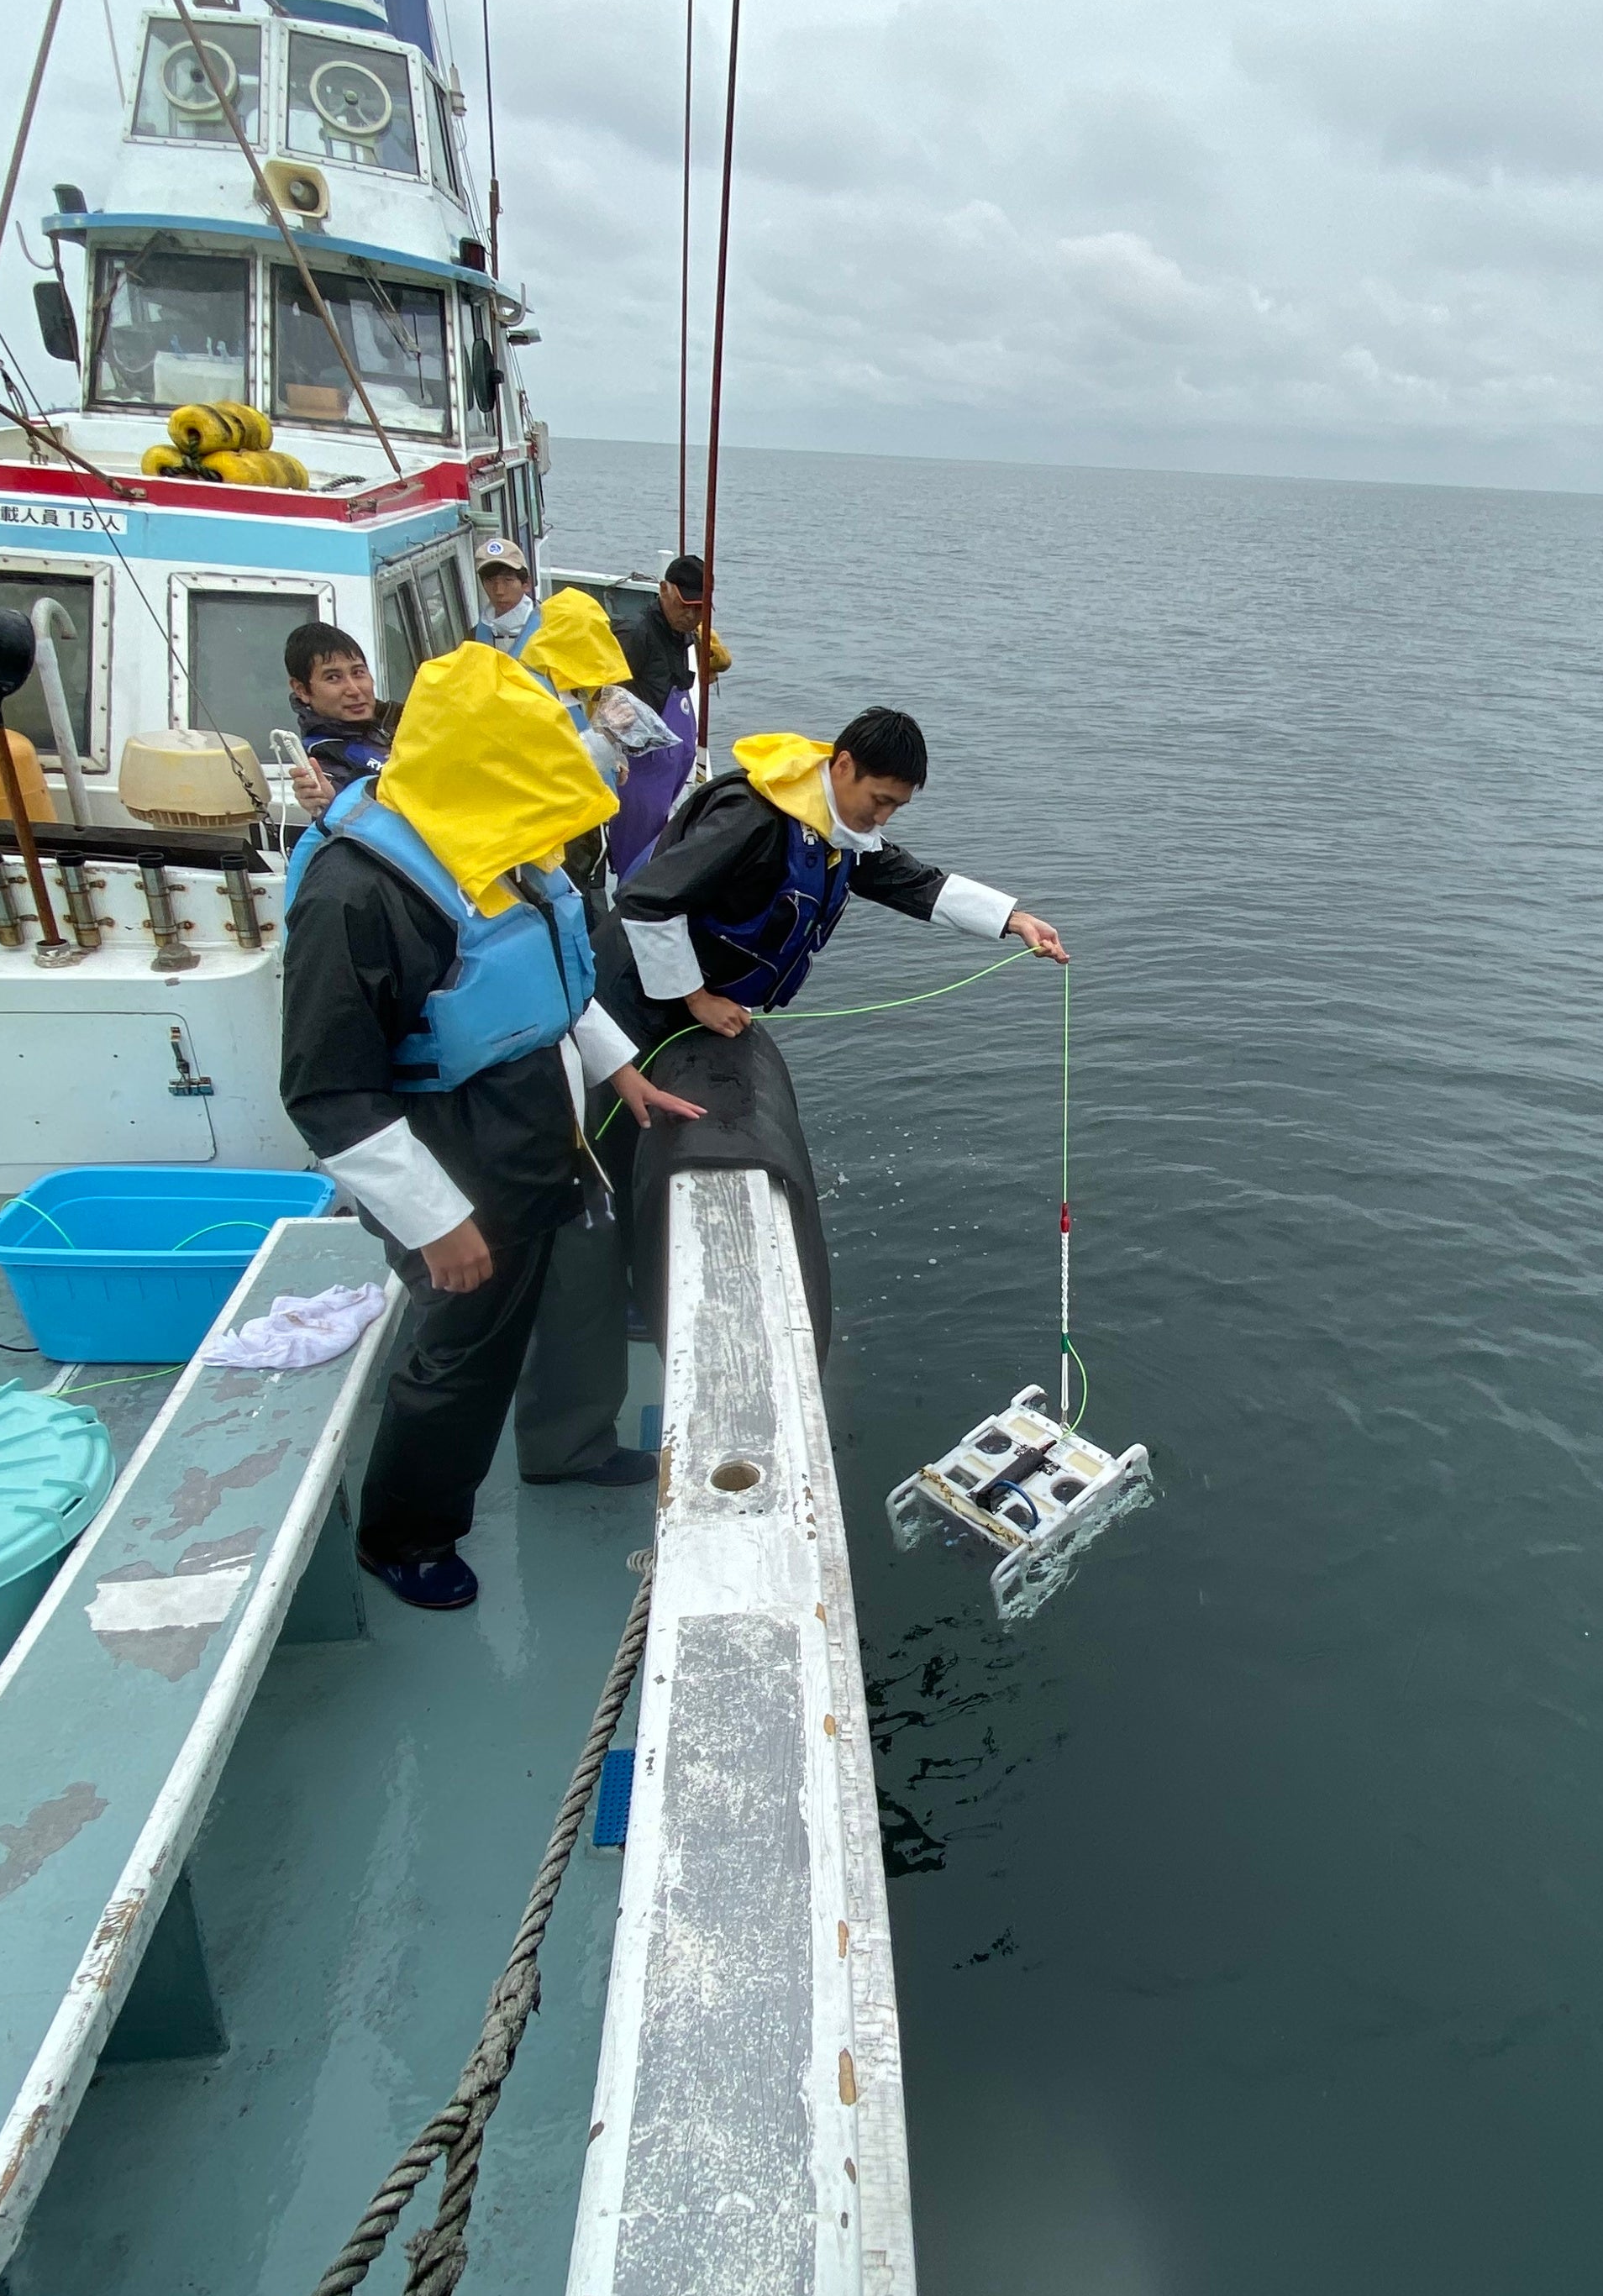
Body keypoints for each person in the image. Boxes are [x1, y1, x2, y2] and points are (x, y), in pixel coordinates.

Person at [279, 638, 703, 1611]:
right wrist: (435, 1220)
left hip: (544, 1132)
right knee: (463, 1353)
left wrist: (619, 1068)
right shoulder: (355, 895)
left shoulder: (503, 851)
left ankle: (568, 1447)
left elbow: (545, 979)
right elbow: (326, 1091)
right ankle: (408, 1533)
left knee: (572, 1300)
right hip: (447, 1157)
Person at [602, 705, 1067, 1056]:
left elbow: (912, 882)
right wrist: (697, 999)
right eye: (878, 799)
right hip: (637, 992)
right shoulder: (751, 818)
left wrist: (1014, 919)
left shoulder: (839, 831)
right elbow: (647, 902)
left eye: (896, 808)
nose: (882, 818)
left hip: (696, 998)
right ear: (843, 766)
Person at [599, 554, 732, 882]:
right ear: (663, 591)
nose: (691, 615)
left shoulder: (685, 635)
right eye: (685, 605)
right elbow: (606, 701)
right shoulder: (636, 634)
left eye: (700, 608)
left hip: (668, 774)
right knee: (633, 859)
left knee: (656, 848)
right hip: (639, 772)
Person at [283, 621, 396, 813]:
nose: (353, 690)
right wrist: (331, 804)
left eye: (358, 672)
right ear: (301, 690)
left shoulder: (399, 718)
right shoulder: (322, 760)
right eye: (333, 677)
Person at [472, 536, 539, 655]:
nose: (499, 591)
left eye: (508, 580)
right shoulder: (473, 637)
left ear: (527, 584)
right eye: (490, 580)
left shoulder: (547, 629)